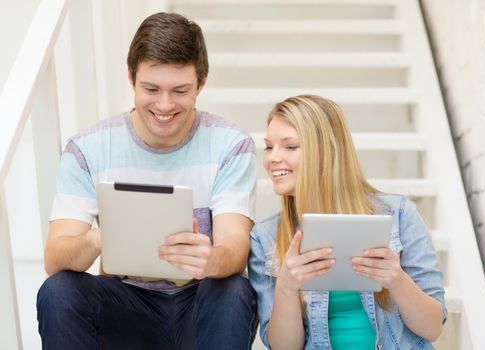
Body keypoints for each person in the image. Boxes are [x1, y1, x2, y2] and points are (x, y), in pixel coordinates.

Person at [37, 12, 258, 350]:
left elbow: (235, 247)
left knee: (232, 288)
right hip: (126, 306)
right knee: (58, 290)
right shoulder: (88, 148)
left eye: (180, 90)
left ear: (201, 84)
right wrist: (99, 240)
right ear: (131, 78)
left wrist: (210, 259)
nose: (165, 105)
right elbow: (56, 257)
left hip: (197, 302)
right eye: (151, 89)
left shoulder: (230, 144)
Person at [248, 95, 447, 349]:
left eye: (290, 146)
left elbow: (432, 328)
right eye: (268, 147)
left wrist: (396, 280)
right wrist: (286, 287)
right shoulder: (265, 237)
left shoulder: (399, 215)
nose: (272, 158)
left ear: (325, 153)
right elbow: (284, 347)